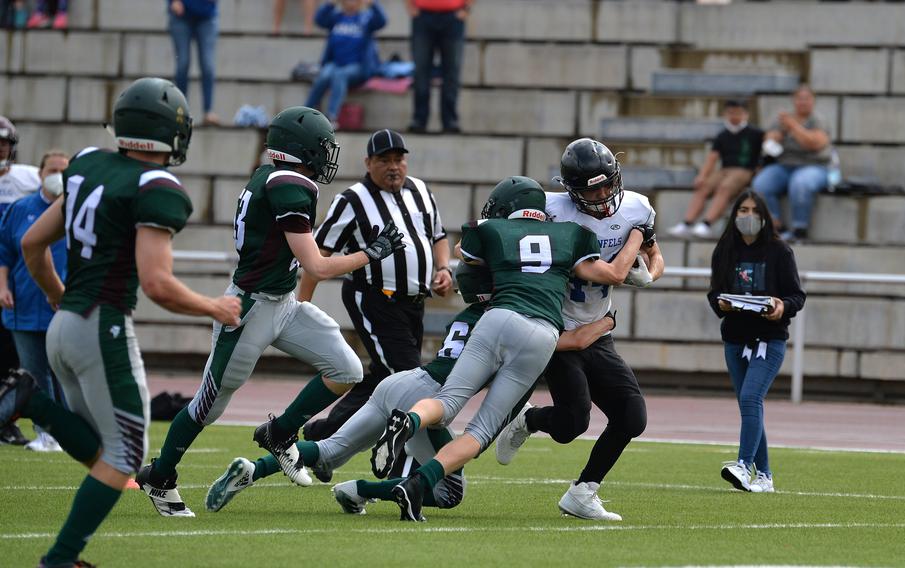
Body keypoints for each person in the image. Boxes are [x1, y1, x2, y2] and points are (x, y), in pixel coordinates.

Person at [0, 77, 242, 567]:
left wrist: (57, 296)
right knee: (127, 457)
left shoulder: (87, 164)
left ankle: (35, 402)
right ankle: (59, 558)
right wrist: (214, 307)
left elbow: (31, 244)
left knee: (102, 455)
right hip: (102, 325)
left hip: (65, 324)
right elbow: (157, 283)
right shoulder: (154, 185)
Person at [137, 106, 405, 517]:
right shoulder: (289, 186)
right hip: (248, 309)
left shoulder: (274, 176)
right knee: (209, 405)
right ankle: (159, 476)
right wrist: (369, 254)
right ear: (303, 149)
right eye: (322, 147)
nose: (326, 155)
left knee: (346, 369)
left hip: (281, 301)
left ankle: (279, 433)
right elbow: (316, 265)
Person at [204, 262, 617, 516]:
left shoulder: (477, 315)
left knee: (328, 450)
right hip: (425, 400)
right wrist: (606, 320)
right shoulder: (510, 321)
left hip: (400, 383)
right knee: (450, 489)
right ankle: (361, 489)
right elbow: (566, 343)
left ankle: (252, 468)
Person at [370, 175, 645, 522]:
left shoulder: (489, 228)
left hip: (496, 318)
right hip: (543, 332)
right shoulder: (572, 235)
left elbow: (461, 254)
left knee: (449, 401)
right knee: (482, 431)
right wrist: (637, 238)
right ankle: (419, 482)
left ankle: (409, 421)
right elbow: (613, 273)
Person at [495, 138, 665, 521]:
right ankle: (530, 419)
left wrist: (649, 276)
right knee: (573, 423)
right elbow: (502, 234)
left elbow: (655, 255)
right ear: (571, 189)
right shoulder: (551, 211)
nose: (605, 195)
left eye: (609, 184)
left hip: (597, 329)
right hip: (556, 330)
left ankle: (583, 492)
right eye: (594, 189)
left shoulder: (636, 206)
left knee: (632, 417)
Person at [299, 128, 451, 446]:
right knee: (414, 380)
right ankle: (422, 462)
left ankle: (321, 435)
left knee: (384, 377)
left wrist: (443, 268)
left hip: (413, 302)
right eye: (385, 160)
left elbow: (438, 236)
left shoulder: (420, 190)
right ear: (368, 162)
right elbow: (317, 253)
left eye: (399, 159)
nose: (394, 166)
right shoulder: (352, 200)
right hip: (374, 298)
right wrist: (302, 306)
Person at [707, 190, 806, 493]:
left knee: (751, 399)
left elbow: (796, 297)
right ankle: (765, 476)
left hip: (768, 338)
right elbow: (714, 293)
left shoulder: (779, 251)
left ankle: (743, 464)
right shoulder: (725, 250)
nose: (747, 216)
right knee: (749, 405)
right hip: (735, 339)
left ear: (764, 217)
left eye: (754, 211)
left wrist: (781, 307)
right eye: (742, 210)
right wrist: (721, 304)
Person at [0, 150, 69, 452]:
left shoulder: (78, 211)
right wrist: (2, 286)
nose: (56, 175)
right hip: (26, 304)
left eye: (63, 170)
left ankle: (71, 433)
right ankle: (47, 434)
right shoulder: (20, 208)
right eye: (51, 169)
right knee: (34, 373)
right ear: (39, 174)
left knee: (66, 374)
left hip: (65, 305)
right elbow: (5, 252)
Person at [668, 100, 764, 239]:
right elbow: (712, 158)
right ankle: (687, 223)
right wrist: (702, 176)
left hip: (744, 170)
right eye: (731, 113)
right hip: (724, 170)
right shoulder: (722, 135)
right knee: (704, 186)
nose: (734, 116)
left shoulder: (756, 133)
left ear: (746, 114)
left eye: (738, 113)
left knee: (725, 187)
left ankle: (707, 224)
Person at [0, 115, 38, 446]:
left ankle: (8, 420)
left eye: (3, 143)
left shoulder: (27, 179)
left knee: (13, 356)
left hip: (13, 278)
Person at [752, 84, 832, 242]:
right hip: (784, 165)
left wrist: (793, 126)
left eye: (807, 99)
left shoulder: (818, 120)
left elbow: (814, 143)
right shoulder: (783, 120)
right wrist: (775, 136)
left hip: (815, 166)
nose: (803, 102)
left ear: (813, 101)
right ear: (794, 101)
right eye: (799, 99)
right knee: (761, 184)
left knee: (800, 183)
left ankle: (799, 229)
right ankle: (776, 226)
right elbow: (768, 141)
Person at [304, 0, 386, 129]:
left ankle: (331, 117)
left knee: (339, 75)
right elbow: (319, 20)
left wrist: (373, 4)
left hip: (358, 66)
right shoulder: (336, 17)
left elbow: (382, 21)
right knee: (324, 74)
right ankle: (304, 113)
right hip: (336, 63)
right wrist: (329, 4)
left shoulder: (366, 18)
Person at [406, 0, 472, 133]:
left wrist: (466, 9)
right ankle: (419, 119)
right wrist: (410, 6)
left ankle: (450, 120)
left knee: (452, 71)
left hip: (453, 16)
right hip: (423, 15)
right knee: (421, 71)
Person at [167, 0, 221, 125]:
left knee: (207, 65)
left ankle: (208, 111)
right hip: (180, 15)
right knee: (183, 64)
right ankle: (180, 110)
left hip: (207, 15)